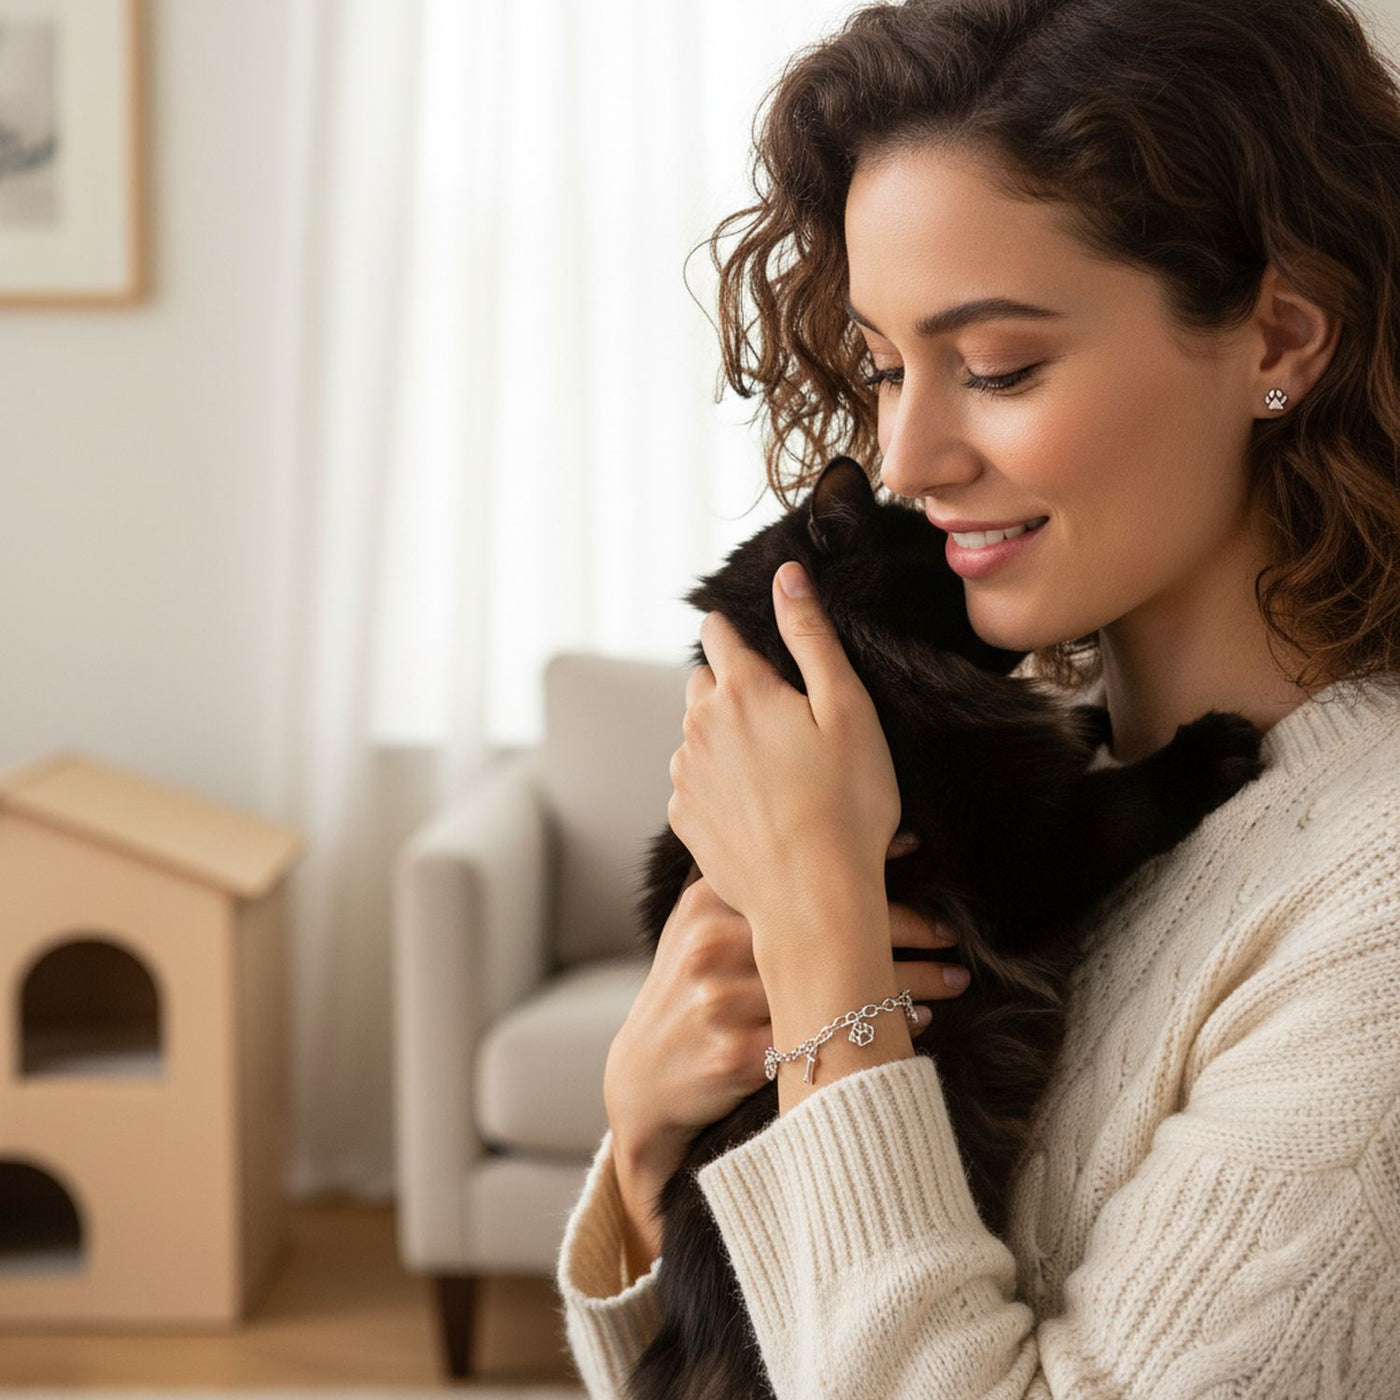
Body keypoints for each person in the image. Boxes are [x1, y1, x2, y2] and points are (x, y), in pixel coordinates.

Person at [554, 0, 1400, 1393]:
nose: (905, 456)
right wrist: (646, 1149)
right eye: (885, 368)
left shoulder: (1365, 908)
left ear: (1280, 339)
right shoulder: (1015, 792)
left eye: (998, 367)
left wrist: (829, 944)